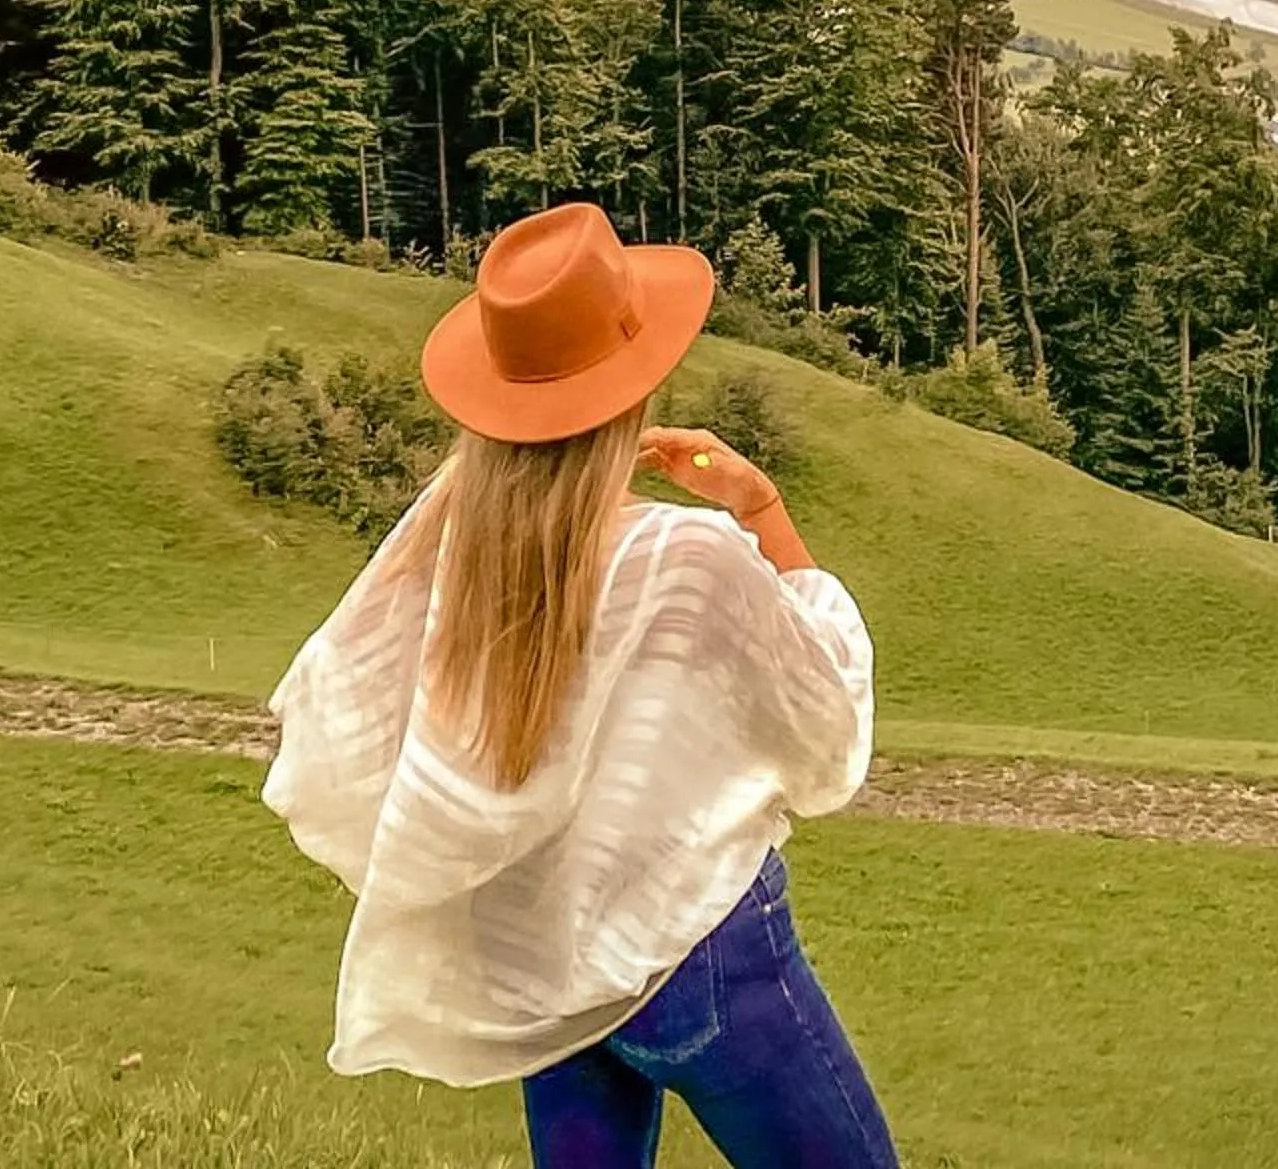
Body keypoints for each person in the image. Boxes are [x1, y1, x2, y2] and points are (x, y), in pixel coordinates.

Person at [263, 201, 899, 1169]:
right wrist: (761, 506)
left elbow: (340, 693)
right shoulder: (686, 552)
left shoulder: (455, 544)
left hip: (536, 955)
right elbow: (825, 696)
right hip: (701, 952)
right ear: (634, 381)